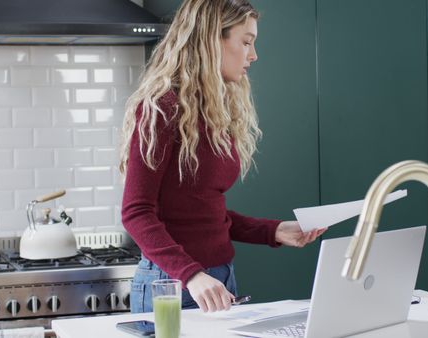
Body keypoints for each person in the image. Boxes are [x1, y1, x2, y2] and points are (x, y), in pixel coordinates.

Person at [119, 0, 326, 314]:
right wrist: (191, 274)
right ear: (210, 40)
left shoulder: (212, 111)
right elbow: (136, 212)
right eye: (245, 42)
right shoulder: (161, 107)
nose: (253, 55)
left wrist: (273, 231)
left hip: (217, 280)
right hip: (173, 285)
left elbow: (202, 210)